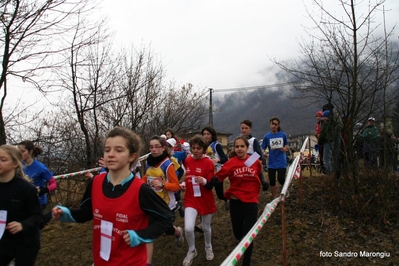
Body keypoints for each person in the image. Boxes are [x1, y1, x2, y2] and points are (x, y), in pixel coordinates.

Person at [52, 127, 175, 266]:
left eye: (119, 150)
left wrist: (139, 236)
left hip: (131, 262)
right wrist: (66, 213)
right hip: (101, 260)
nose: (110, 154)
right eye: (107, 150)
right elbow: (87, 212)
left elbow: (167, 218)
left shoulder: (141, 190)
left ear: (132, 156)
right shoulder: (95, 182)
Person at [215, 136, 263, 266]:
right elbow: (218, 178)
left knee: (249, 235)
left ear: (247, 148)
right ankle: (241, 240)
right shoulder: (230, 162)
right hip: (235, 201)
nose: (240, 149)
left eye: (242, 146)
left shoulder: (253, 159)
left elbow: (259, 171)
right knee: (238, 234)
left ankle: (246, 262)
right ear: (234, 148)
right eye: (237, 146)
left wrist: (262, 182)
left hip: (251, 201)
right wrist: (209, 186)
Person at [142, 135, 183, 266]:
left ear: (163, 148)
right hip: (151, 202)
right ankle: (147, 263)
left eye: (156, 147)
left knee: (166, 230)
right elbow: (145, 178)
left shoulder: (168, 164)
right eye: (151, 147)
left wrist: (163, 185)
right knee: (149, 231)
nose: (153, 150)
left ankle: (177, 232)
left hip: (165, 204)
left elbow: (176, 186)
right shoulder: (149, 162)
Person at [0, 145, 43, 266]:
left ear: (15, 164)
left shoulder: (26, 188)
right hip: (3, 242)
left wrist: (22, 225)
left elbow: (38, 215)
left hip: (26, 243)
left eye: (3, 160)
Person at [180, 135, 216, 266]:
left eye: (198, 148)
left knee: (206, 227)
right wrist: (184, 183)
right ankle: (192, 250)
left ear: (204, 149)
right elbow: (188, 175)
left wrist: (205, 181)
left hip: (205, 198)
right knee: (188, 228)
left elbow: (211, 185)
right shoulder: (188, 159)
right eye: (193, 148)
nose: (195, 151)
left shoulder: (208, 163)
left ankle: (208, 246)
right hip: (191, 199)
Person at [18, 140, 57, 229]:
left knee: (35, 226)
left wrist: (44, 190)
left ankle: (52, 213)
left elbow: (54, 184)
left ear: (30, 152)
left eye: (23, 152)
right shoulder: (18, 165)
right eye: (18, 152)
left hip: (38, 201)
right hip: (23, 201)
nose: (20, 154)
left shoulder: (40, 167)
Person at [262, 117, 289, 198]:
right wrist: (264, 153)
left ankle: (285, 190)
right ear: (270, 125)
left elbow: (287, 145)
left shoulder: (283, 134)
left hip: (281, 161)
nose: (274, 126)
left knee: (281, 179)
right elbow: (263, 147)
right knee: (272, 181)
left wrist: (285, 148)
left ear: (278, 125)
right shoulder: (267, 136)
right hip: (271, 162)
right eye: (272, 124)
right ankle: (274, 197)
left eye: (275, 124)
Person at [201, 126, 228, 207]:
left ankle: (228, 200)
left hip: (216, 173)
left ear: (212, 135)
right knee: (205, 190)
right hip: (206, 173)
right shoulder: (202, 146)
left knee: (220, 195)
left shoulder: (216, 145)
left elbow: (225, 158)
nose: (206, 136)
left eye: (208, 134)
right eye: (204, 134)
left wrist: (217, 160)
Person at [240, 120, 269, 191]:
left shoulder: (253, 140)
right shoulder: (239, 140)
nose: (244, 130)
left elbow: (258, 153)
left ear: (250, 129)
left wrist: (248, 162)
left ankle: (263, 183)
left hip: (251, 163)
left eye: (246, 128)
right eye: (242, 128)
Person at [318, 110, 342, 175]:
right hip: (334, 142)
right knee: (334, 158)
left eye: (325, 117)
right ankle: (335, 172)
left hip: (327, 142)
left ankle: (330, 172)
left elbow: (322, 134)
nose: (324, 118)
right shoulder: (336, 125)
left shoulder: (326, 124)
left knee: (326, 158)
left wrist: (319, 142)